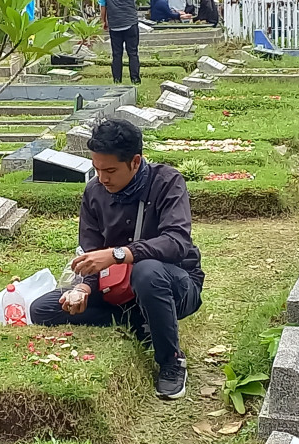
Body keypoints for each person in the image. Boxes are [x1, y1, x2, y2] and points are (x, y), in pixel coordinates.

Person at [30, 119, 205, 399]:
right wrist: (84, 287)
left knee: (147, 272)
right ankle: (140, 323)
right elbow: (89, 251)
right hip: (115, 287)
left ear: (135, 162)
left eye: (110, 170)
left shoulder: (167, 182)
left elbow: (177, 242)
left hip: (174, 284)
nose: (102, 178)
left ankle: (171, 362)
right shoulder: (94, 192)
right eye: (97, 169)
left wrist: (118, 254)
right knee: (43, 309)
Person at [99, 0, 140, 84]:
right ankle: (135, 79)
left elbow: (103, 7)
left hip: (115, 26)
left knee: (117, 54)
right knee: (133, 53)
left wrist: (103, 21)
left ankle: (117, 80)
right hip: (130, 23)